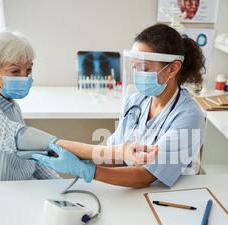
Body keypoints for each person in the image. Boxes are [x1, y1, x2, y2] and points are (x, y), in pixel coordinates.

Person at [0, 31, 156, 182]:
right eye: (15, 72)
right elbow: (34, 141)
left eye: (28, 70)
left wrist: (59, 184)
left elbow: (32, 158)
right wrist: (117, 152)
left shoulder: (10, 105)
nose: (24, 78)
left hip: (17, 188)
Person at [33, 24, 206, 188]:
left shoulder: (189, 116)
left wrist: (88, 171)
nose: (138, 75)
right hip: (131, 191)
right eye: (135, 68)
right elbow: (113, 154)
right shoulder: (135, 101)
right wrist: (76, 157)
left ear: (173, 68)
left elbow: (147, 175)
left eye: (144, 69)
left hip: (167, 196)